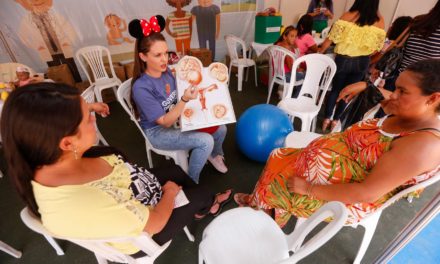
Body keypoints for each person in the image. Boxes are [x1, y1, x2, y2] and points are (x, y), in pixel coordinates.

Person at [0, 82, 233, 255]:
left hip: (136, 195)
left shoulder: (44, 157)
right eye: (88, 116)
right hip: (144, 233)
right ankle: (206, 204)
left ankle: (201, 205)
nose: (94, 118)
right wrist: (170, 193)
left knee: (175, 172)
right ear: (67, 142)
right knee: (199, 190)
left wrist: (88, 105)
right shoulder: (87, 201)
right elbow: (154, 223)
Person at [234, 59, 440, 227]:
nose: (394, 95)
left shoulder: (423, 145)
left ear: (432, 99)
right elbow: (387, 99)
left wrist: (309, 189)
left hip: (343, 197)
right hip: (327, 171)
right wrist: (366, 85)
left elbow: (365, 193)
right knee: (277, 156)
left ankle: (263, 226)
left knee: (278, 183)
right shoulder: (410, 110)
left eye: (402, 92)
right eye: (395, 88)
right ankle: (261, 206)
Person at [128, 16, 228, 184]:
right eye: (157, 55)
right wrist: (183, 99)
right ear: (143, 57)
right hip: (158, 132)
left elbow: (182, 81)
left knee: (221, 128)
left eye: (166, 53)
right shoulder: (141, 87)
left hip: (178, 117)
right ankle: (191, 181)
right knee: (206, 140)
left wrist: (213, 80)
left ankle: (213, 155)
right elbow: (165, 122)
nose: (164, 59)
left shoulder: (165, 71)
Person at [319, 0, 386, 132]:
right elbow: (377, 49)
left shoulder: (348, 15)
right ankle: (336, 120)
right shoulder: (380, 21)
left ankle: (327, 118)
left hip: (343, 60)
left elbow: (329, 39)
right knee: (348, 92)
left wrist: (319, 52)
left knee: (336, 89)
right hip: (363, 61)